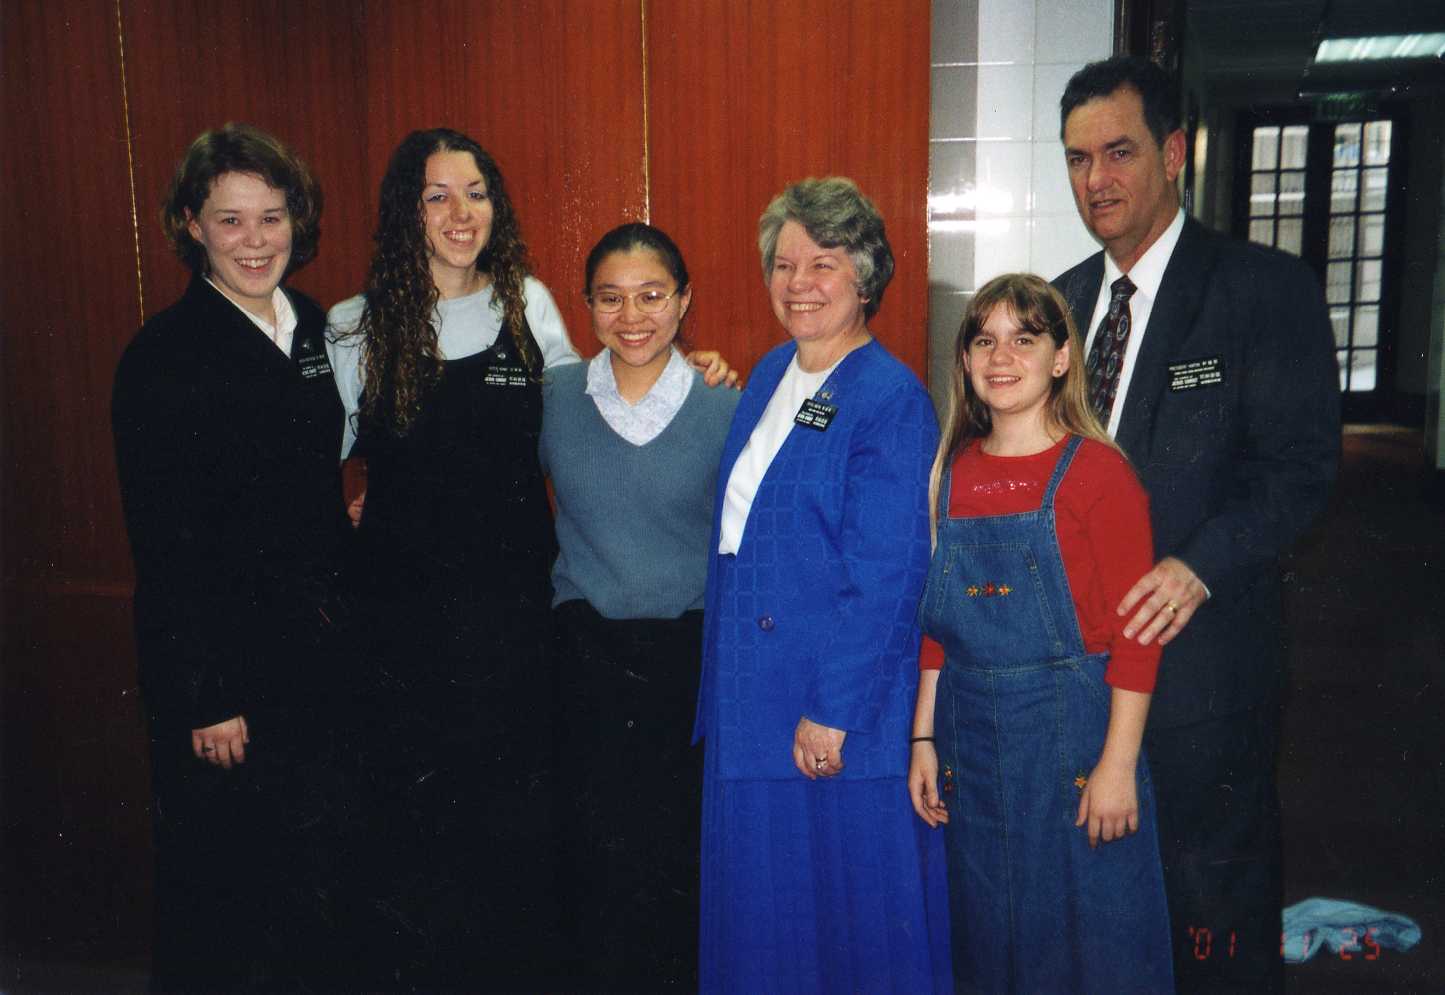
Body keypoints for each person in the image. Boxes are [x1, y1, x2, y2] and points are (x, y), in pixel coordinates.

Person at [326, 130, 732, 989]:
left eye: (474, 192)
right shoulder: (353, 326)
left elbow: (601, 400)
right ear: (407, 211)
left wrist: (692, 372)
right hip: (399, 633)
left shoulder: (529, 304)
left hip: (516, 624)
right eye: (436, 195)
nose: (459, 213)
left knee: (516, 836)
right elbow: (301, 469)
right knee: (412, 834)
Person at [1052, 56, 1340, 992]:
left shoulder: (1263, 291)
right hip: (1082, 677)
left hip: (1202, 670)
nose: (1096, 179)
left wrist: (1196, 566)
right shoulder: (1059, 304)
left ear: (1172, 153)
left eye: (1118, 152)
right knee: (1102, 915)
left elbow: (1298, 473)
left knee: (1211, 914)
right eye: (1076, 158)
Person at [112, 123, 356, 991]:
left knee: (317, 885)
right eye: (230, 221)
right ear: (190, 225)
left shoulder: (325, 329)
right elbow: (165, 543)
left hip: (319, 656)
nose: (256, 241)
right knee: (229, 896)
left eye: (272, 217)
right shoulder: (163, 357)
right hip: (228, 675)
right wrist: (207, 693)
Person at [694, 177, 951, 993]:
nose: (797, 281)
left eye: (823, 263)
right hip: (751, 697)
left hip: (828, 714)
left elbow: (888, 573)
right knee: (767, 927)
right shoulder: (770, 374)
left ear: (866, 277)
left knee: (847, 930)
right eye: (782, 263)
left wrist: (832, 712)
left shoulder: (890, 399)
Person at [908, 273, 1173, 993]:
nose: (1001, 356)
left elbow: (1137, 637)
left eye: (1024, 339)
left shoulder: (1098, 474)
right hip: (971, 738)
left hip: (1072, 737)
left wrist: (1117, 765)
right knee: (991, 935)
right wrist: (922, 738)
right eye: (983, 340)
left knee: (1090, 938)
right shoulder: (951, 472)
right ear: (963, 360)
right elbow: (940, 625)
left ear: (1060, 358)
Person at [540, 222, 739, 991]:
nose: (632, 316)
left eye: (652, 295)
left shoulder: (724, 401)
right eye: (610, 298)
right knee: (590, 867)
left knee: (676, 864)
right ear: (585, 305)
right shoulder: (553, 395)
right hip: (583, 659)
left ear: (683, 301)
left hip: (685, 663)